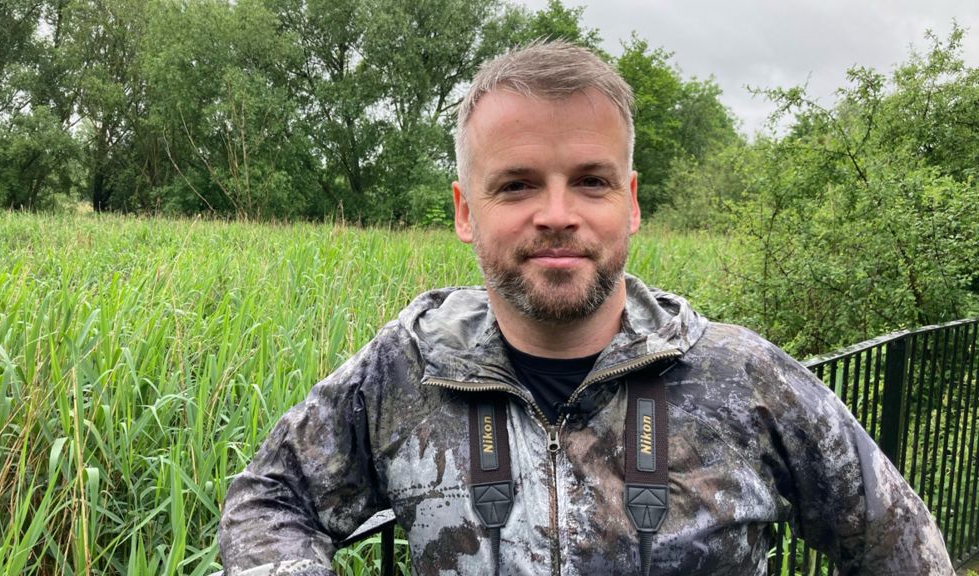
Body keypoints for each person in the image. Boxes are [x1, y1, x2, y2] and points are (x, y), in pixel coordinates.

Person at [219, 41, 953, 576]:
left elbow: (901, 546)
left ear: (630, 204)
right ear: (464, 211)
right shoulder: (407, 367)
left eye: (592, 182)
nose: (557, 214)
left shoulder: (743, 378)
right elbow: (268, 499)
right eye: (516, 185)